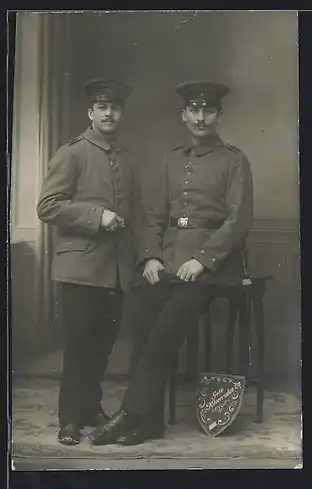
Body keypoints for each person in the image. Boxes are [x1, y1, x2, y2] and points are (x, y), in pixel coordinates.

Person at [88, 80, 254, 446]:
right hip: (170, 264)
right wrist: (149, 257)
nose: (200, 117)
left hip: (212, 269)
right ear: (183, 115)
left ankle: (130, 412)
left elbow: (238, 220)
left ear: (218, 116)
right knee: (144, 315)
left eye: (207, 110)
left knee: (167, 327)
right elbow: (152, 217)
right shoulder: (172, 161)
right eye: (193, 110)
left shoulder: (234, 160)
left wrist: (202, 260)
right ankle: (150, 424)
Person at [37, 77, 141, 445]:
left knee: (102, 346)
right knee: (79, 346)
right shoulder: (72, 152)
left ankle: (91, 406)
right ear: (90, 112)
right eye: (102, 107)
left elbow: (136, 215)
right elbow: (47, 207)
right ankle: (69, 419)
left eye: (115, 107)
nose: (109, 113)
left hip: (115, 272)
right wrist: (97, 216)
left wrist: (141, 260)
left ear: (121, 113)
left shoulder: (126, 158)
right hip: (80, 270)